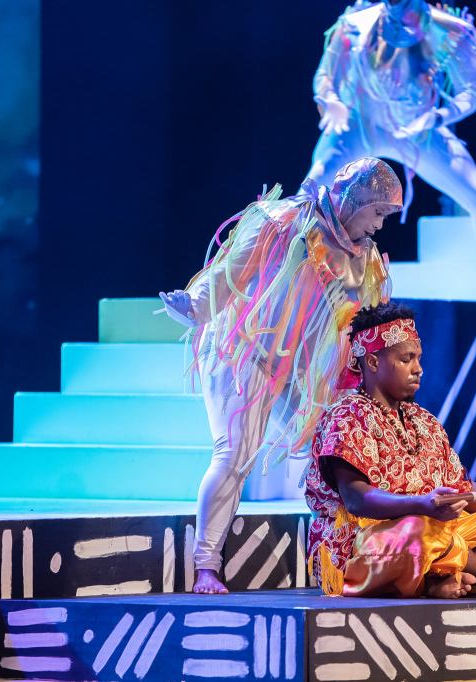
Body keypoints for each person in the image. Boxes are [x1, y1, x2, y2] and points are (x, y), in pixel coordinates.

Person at [161, 157, 403, 594]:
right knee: (234, 454)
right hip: (243, 350)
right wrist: (195, 305)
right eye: (378, 212)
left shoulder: (365, 260)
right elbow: (231, 271)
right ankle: (206, 566)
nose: (379, 225)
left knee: (340, 450)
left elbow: (366, 323)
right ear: (355, 200)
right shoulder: (285, 221)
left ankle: (352, 555)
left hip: (297, 370)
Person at [306, 302, 476, 597]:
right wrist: (421, 505)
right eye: (406, 359)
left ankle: (447, 581)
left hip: (432, 536)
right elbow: (357, 499)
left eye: (418, 358)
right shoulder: (346, 416)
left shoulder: (424, 421)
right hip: (362, 547)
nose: (418, 369)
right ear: (373, 362)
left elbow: (463, 492)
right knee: (421, 528)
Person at [307, 0, 476, 302]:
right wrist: (331, 100)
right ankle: (288, 281)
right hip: (361, 122)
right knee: (309, 194)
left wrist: (438, 117)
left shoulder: (451, 31)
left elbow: (469, 93)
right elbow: (324, 75)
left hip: (418, 131)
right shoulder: (356, 25)